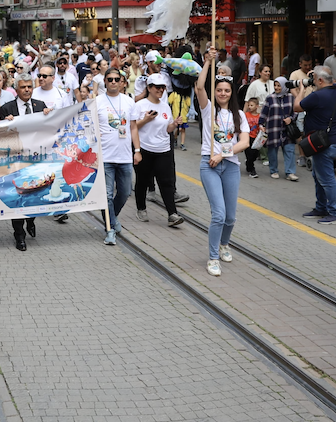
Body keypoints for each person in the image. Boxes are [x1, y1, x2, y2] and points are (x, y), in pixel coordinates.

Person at [195, 47, 251, 277]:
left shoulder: (240, 115)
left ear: (232, 92)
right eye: (219, 90)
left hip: (230, 166)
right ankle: (213, 258)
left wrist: (223, 154)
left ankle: (224, 244)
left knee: (230, 217)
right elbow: (200, 87)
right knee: (218, 214)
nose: (223, 93)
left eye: (226, 90)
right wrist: (208, 62)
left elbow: (245, 142)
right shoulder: (208, 109)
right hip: (209, 166)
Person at [0, 74, 48, 249]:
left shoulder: (40, 106)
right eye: (23, 87)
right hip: (16, 161)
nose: (27, 90)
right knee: (17, 197)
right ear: (16, 89)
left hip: (36, 159)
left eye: (29, 87)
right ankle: (19, 234)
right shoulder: (6, 108)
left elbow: (49, 129)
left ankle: (31, 220)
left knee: (34, 193)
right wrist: (4, 123)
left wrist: (49, 115)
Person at [131, 72, 184, 231]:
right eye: (157, 87)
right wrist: (146, 120)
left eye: (163, 87)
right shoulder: (140, 105)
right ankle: (141, 208)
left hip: (163, 149)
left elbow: (167, 129)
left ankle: (172, 214)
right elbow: (133, 128)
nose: (160, 90)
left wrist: (174, 124)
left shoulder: (165, 105)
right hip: (145, 149)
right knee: (142, 181)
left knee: (166, 182)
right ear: (149, 88)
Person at [92, 69, 140, 244]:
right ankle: (110, 228)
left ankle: (112, 217)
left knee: (125, 192)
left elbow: (133, 127)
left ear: (122, 82)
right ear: (104, 81)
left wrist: (137, 150)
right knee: (107, 195)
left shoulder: (129, 101)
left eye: (116, 79)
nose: (113, 82)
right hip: (105, 156)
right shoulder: (97, 102)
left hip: (125, 156)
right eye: (110, 79)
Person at [293, 66, 336, 224]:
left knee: (327, 179)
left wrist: (302, 89)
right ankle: (321, 207)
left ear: (321, 80)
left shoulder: (317, 96)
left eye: (314, 79)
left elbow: (296, 107)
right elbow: (333, 79)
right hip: (332, 140)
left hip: (322, 144)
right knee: (318, 175)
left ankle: (335, 213)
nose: (312, 81)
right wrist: (318, 73)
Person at [262, 79, 298, 181]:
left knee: (289, 150)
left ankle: (290, 172)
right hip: (273, 128)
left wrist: (291, 118)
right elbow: (264, 112)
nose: (276, 88)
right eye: (275, 85)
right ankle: (273, 170)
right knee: (272, 151)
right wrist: (261, 124)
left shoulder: (291, 97)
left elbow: (296, 111)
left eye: (279, 85)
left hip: (287, 129)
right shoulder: (270, 98)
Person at [243, 98, 262, 178]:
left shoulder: (259, 116)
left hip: (256, 137)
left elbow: (261, 125)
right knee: (249, 153)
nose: (249, 107)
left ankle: (248, 163)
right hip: (247, 137)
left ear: (257, 106)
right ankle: (252, 170)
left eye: (252, 105)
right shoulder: (246, 115)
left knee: (255, 154)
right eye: (249, 105)